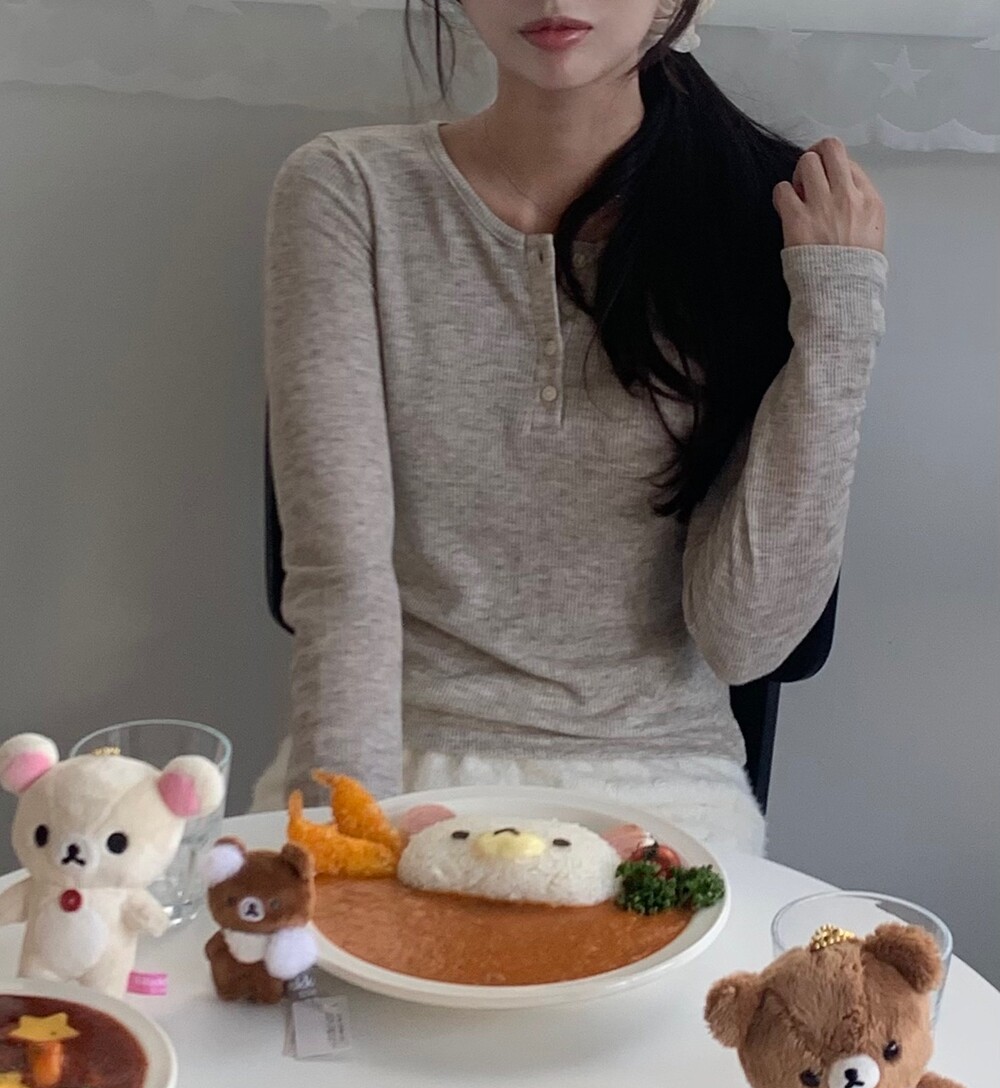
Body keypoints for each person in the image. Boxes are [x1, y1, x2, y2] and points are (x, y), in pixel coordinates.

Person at [252, 0, 887, 856]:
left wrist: (838, 315)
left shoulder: (755, 210)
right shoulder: (349, 190)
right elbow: (341, 574)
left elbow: (746, 642)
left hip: (661, 780)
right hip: (397, 758)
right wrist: (349, 837)